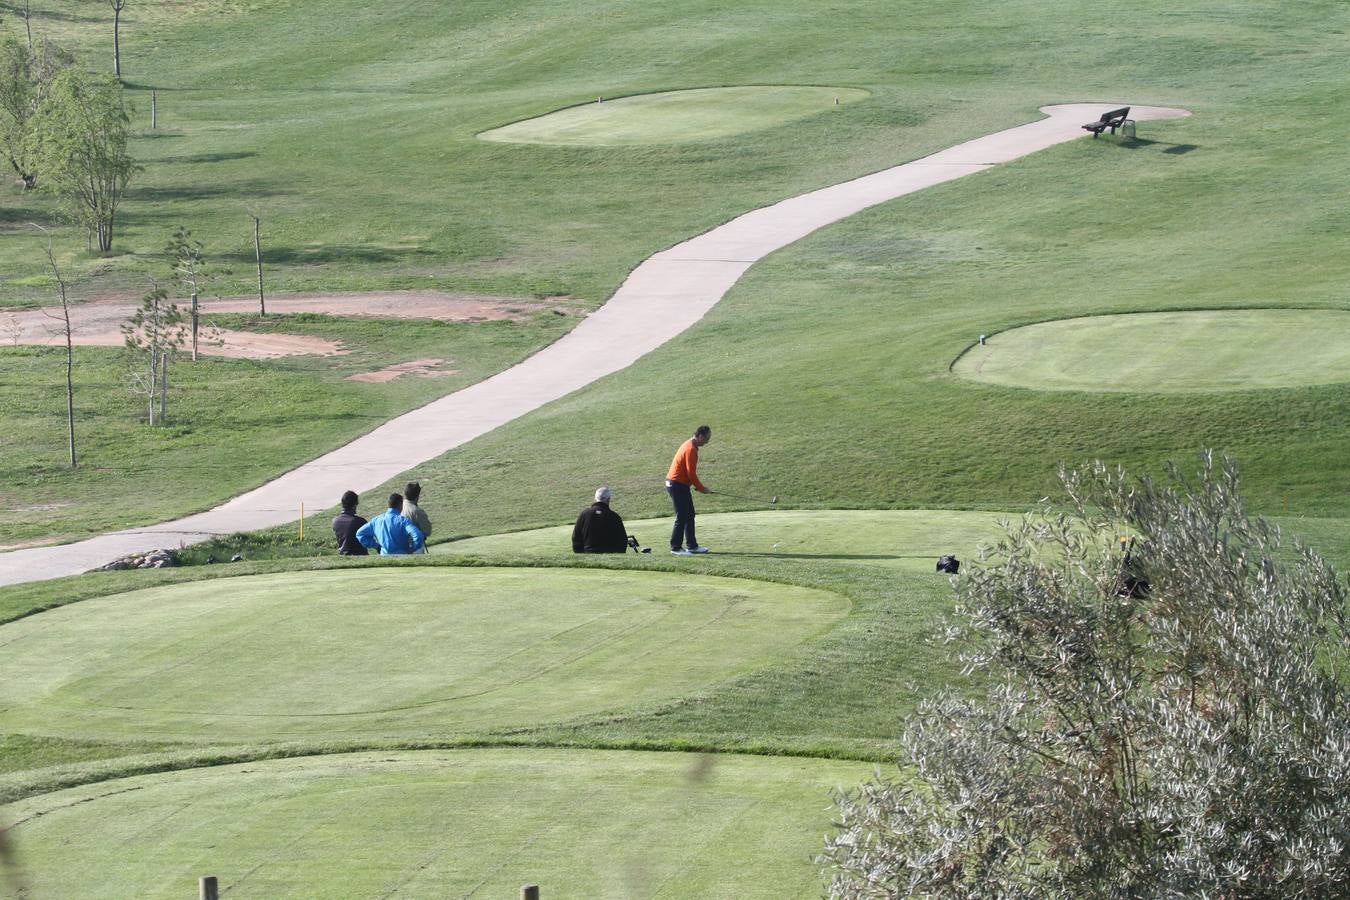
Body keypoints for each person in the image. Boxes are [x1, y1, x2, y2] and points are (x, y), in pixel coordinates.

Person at [665, 425, 711, 554]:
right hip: (675, 484)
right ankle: (675, 547)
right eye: (707, 438)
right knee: (682, 516)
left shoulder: (690, 445)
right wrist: (701, 488)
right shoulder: (691, 449)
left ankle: (692, 546)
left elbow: (689, 474)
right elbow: (691, 474)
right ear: (700, 436)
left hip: (681, 485)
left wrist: (697, 486)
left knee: (689, 514)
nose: (708, 441)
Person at [356, 492, 425, 555]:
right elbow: (418, 536)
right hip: (402, 556)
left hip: (384, 557)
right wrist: (413, 548)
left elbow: (360, 534)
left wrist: (376, 546)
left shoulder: (376, 520)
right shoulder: (403, 521)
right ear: (400, 505)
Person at [572, 486, 629, 553]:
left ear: (595, 498)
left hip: (588, 553)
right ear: (608, 499)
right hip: (610, 554)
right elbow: (622, 540)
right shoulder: (614, 516)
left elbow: (576, 538)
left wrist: (580, 553)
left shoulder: (584, 514)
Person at [332, 490, 369, 556]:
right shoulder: (360, 521)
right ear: (354, 505)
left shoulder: (335, 521)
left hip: (342, 554)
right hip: (359, 554)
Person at [402, 480, 432, 553]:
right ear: (417, 496)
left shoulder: (399, 506)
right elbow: (427, 531)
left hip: (400, 546)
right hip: (415, 547)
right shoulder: (417, 511)